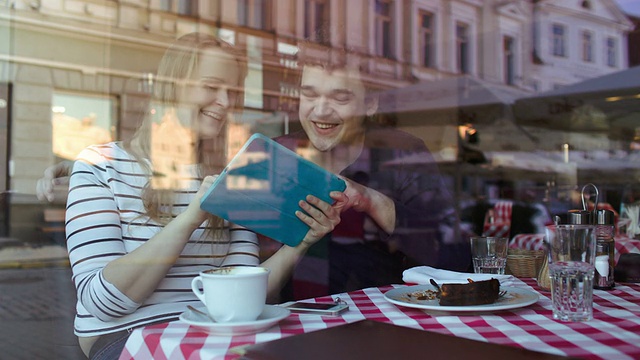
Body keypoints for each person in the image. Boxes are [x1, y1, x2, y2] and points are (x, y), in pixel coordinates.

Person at [56, 33, 345, 360]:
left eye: (232, 91)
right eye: (211, 87)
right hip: (131, 338)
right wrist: (192, 216)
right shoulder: (100, 166)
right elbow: (102, 303)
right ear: (172, 85)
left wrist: (302, 242)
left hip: (215, 337)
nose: (225, 101)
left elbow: (246, 295)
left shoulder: (234, 173)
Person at [274, 38, 467, 298]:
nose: (320, 110)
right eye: (309, 94)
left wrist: (373, 202)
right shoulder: (278, 155)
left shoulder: (402, 152)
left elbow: (454, 259)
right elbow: (244, 261)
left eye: (340, 98)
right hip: (291, 320)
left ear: (370, 105)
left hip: (386, 323)